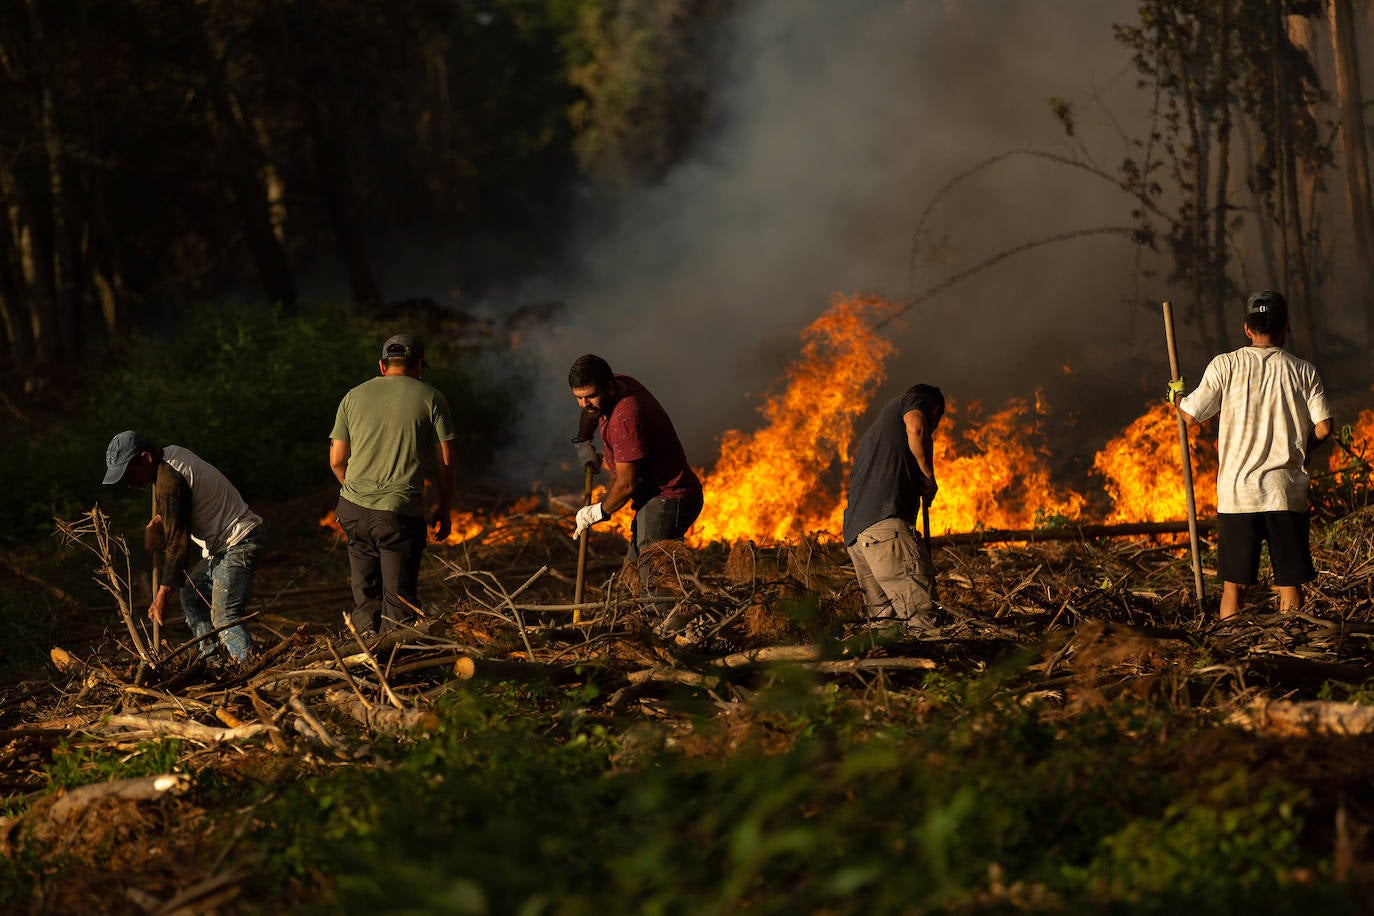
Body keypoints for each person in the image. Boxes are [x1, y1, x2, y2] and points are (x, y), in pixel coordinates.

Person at [1173, 290, 1334, 619]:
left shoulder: (1226, 365)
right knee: (1290, 584)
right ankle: (1292, 652)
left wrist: (1176, 396)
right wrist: (1303, 448)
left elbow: (1189, 415)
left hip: (1238, 496)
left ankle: (1231, 656)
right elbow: (1324, 428)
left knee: (1235, 587)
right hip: (1285, 493)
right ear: (1285, 327)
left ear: (1247, 328)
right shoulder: (1304, 372)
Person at [330, 334, 457, 636]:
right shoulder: (431, 398)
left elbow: (337, 459)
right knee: (399, 605)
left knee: (365, 603)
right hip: (397, 515)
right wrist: (443, 507)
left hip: (352, 510)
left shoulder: (352, 396)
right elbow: (446, 462)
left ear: (382, 366)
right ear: (418, 367)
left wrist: (358, 492)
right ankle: (401, 673)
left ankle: (366, 669)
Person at [103, 430, 263, 663]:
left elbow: (178, 546)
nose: (129, 483)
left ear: (145, 458)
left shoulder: (168, 479)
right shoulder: (169, 459)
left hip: (238, 542)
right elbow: (178, 507)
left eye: (129, 474)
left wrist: (162, 596)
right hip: (223, 546)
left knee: (225, 617)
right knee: (191, 596)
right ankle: (213, 662)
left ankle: (252, 668)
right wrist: (155, 524)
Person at [567, 354, 704, 585]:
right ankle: (650, 618)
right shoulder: (616, 384)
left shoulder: (626, 418)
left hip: (669, 498)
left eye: (590, 396)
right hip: (652, 496)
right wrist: (583, 441)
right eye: (578, 398)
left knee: (654, 576)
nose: (584, 404)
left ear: (609, 387)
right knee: (633, 575)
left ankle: (674, 620)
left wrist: (596, 512)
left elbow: (626, 484)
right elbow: (591, 411)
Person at [841, 383, 945, 633]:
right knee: (922, 618)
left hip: (857, 537)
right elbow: (918, 429)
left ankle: (895, 670)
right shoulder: (913, 399)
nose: (935, 428)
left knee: (884, 628)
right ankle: (933, 670)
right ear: (934, 408)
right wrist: (928, 475)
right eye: (937, 420)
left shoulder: (876, 436)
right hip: (886, 530)